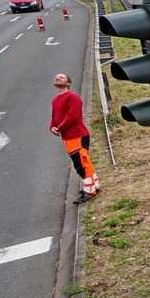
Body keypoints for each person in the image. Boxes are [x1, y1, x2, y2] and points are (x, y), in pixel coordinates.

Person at [50, 72, 100, 203]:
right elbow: (54, 116)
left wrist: (59, 128)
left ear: (68, 83)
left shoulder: (72, 97)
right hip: (68, 137)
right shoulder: (55, 99)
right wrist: (52, 127)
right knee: (81, 163)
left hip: (78, 135)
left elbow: (73, 117)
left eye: (61, 77)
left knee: (82, 164)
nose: (57, 77)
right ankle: (94, 186)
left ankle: (90, 191)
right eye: (56, 76)